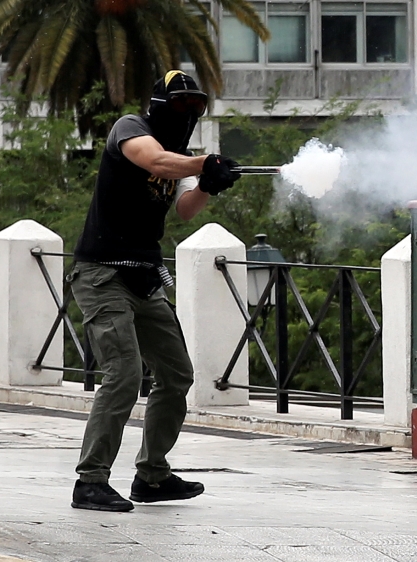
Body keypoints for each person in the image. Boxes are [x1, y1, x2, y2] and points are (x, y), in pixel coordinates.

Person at [69, 70, 242, 512]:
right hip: (102, 274)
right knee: (124, 373)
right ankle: (90, 481)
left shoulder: (180, 154)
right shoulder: (131, 129)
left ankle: (152, 475)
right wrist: (202, 164)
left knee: (176, 373)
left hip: (144, 278)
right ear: (161, 105)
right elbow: (155, 163)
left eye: (196, 105)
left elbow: (185, 209)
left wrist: (207, 183)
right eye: (182, 103)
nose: (189, 113)